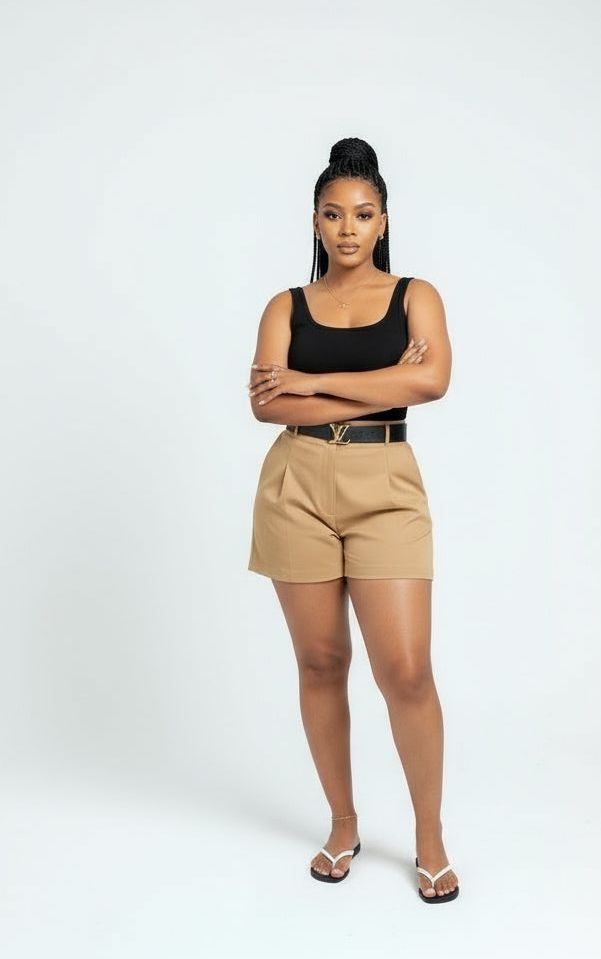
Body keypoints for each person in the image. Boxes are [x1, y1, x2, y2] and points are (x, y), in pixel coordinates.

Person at [245, 138, 460, 903]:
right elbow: (265, 403)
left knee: (405, 669)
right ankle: (342, 824)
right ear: (315, 221)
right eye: (333, 214)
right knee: (319, 662)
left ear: (383, 221)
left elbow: (431, 381)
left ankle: (428, 836)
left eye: (362, 214)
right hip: (296, 483)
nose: (347, 228)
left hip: (385, 482)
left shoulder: (415, 296)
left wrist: (313, 379)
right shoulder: (285, 306)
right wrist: (381, 377)